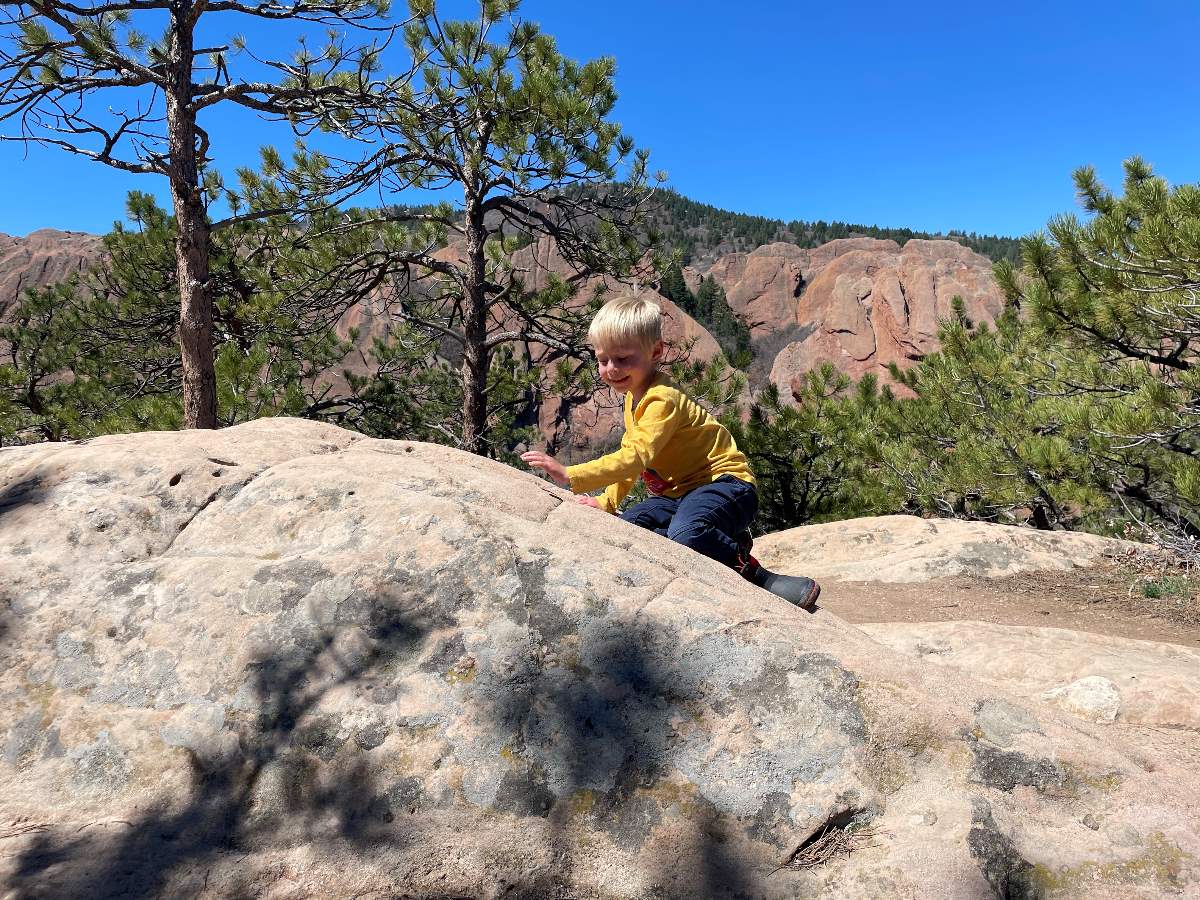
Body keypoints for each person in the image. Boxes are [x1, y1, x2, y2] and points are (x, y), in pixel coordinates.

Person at [521, 295, 821, 610]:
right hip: (679, 496)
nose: (611, 369)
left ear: (655, 352)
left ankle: (753, 571)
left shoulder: (661, 399)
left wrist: (572, 474)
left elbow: (636, 458)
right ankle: (714, 534)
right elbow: (631, 454)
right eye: (602, 359)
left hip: (726, 485)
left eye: (623, 359)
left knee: (686, 533)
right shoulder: (632, 396)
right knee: (630, 529)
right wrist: (606, 502)